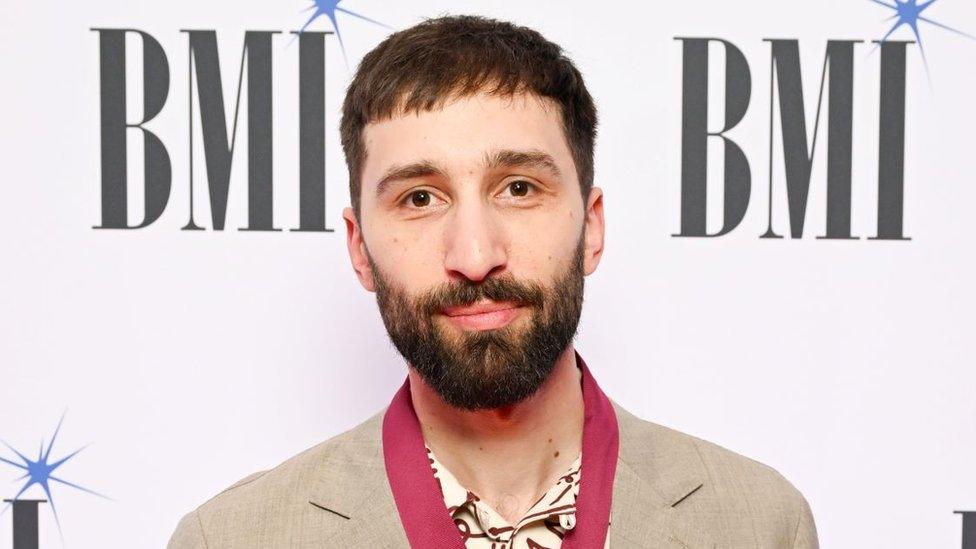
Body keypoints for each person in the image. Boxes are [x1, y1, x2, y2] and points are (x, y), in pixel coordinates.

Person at [168, 14, 818, 548]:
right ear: (360, 248)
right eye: (420, 198)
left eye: (518, 187)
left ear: (590, 227)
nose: (475, 255)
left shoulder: (761, 525)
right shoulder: (229, 537)